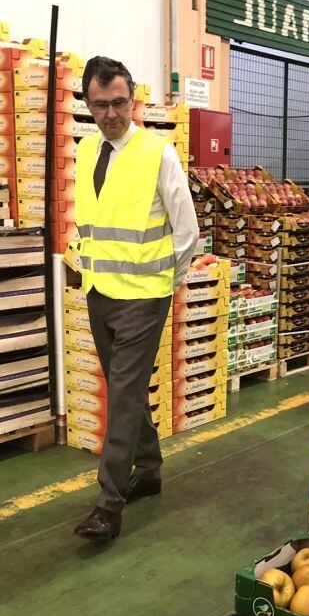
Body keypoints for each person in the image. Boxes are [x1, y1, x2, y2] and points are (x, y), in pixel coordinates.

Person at [73, 56, 198, 542]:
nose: (111, 114)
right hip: (100, 292)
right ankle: (147, 468)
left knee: (122, 395)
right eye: (100, 105)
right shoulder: (86, 152)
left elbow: (186, 230)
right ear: (88, 104)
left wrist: (169, 282)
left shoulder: (157, 152)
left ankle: (109, 505)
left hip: (145, 296)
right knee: (124, 391)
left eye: (119, 103)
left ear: (133, 101)